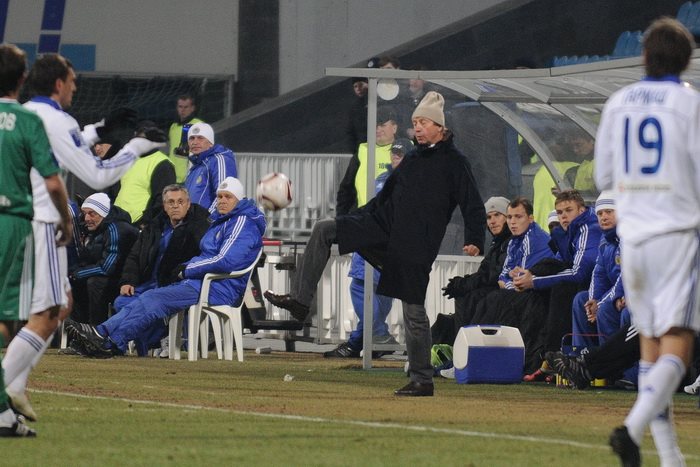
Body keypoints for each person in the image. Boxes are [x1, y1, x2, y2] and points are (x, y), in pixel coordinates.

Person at [265, 91, 486, 397]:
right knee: (325, 229)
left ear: (439, 126)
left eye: (423, 122)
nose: (417, 127)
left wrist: (475, 238)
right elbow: (383, 200)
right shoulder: (412, 157)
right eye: (415, 122)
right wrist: (352, 221)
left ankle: (422, 379)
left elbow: (472, 203)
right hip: (383, 227)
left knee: (413, 311)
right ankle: (301, 302)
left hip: (415, 244)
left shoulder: (455, 162)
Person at [594, 18, 699, 467]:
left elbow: (603, 175)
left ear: (644, 56)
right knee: (678, 342)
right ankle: (632, 429)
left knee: (650, 346)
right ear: (687, 60)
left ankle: (671, 459)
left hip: (632, 239)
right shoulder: (689, 103)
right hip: (676, 235)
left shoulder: (618, 102)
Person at [66, 177, 265, 357]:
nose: (222, 200)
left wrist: (187, 269)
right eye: (219, 196)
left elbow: (224, 260)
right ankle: (103, 336)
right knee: (145, 298)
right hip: (202, 281)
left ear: (239, 199)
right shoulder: (222, 222)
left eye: (228, 197)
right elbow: (207, 256)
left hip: (219, 286)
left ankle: (107, 338)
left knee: (153, 299)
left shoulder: (241, 223)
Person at [0, 43, 71, 437]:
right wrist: (66, 219)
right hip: (11, 223)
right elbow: (53, 182)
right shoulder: (27, 120)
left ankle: (4, 413)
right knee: (15, 317)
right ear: (22, 79)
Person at [324, 139, 412, 358]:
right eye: (394, 154)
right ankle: (364, 341)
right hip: (389, 243)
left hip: (377, 241)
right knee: (376, 293)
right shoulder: (399, 180)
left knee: (363, 288)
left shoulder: (387, 180)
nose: (395, 158)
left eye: (400, 155)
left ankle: (375, 336)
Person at [114, 185, 210, 356]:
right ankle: (148, 342)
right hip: (149, 283)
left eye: (180, 202)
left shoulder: (199, 227)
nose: (175, 206)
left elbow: (202, 259)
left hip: (174, 285)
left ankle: (133, 343)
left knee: (151, 306)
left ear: (188, 204)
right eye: (171, 202)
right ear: (165, 206)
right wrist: (128, 280)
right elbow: (135, 256)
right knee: (121, 302)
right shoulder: (154, 227)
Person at [469, 197, 555, 372]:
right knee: (481, 298)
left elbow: (519, 281)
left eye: (518, 217)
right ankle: (473, 354)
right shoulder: (514, 241)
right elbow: (503, 276)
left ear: (530, 218)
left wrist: (509, 283)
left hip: (539, 294)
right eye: (509, 217)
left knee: (496, 299)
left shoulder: (532, 238)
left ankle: (481, 358)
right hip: (523, 292)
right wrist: (510, 283)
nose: (513, 222)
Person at [436, 196, 513, 345]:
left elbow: (497, 274)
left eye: (497, 215)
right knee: (464, 296)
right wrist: (464, 282)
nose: (492, 221)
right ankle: (461, 346)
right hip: (494, 291)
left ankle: (467, 346)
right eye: (489, 217)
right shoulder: (497, 244)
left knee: (472, 296)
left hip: (506, 292)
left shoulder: (510, 242)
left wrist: (467, 283)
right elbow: (484, 272)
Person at [69, 193, 139, 326]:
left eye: (92, 214)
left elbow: (107, 267)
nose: (87, 218)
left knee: (94, 283)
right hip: (112, 275)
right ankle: (80, 328)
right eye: (85, 213)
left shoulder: (116, 229)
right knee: (73, 283)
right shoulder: (96, 228)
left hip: (126, 281)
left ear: (103, 213)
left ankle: (97, 330)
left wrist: (76, 273)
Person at [571, 191, 627, 349]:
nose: (604, 217)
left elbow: (625, 278)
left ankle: (611, 360)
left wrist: (601, 303)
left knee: (606, 310)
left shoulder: (628, 238)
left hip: (630, 293)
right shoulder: (605, 240)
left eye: (609, 211)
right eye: (600, 213)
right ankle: (583, 353)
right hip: (614, 293)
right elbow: (599, 273)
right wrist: (593, 299)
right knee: (581, 300)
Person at [336, 106, 399, 215]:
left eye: (382, 125)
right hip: (365, 218)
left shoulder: (406, 150)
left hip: (394, 218)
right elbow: (346, 190)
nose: (378, 129)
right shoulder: (363, 151)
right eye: (375, 125)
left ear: (394, 128)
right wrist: (341, 218)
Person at [113, 121, 176, 227]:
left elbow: (162, 201)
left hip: (139, 225)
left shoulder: (162, 163)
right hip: (117, 221)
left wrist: (145, 223)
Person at [183, 122, 238, 214]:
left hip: (207, 221)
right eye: (192, 138)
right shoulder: (195, 167)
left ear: (210, 143)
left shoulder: (219, 160)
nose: (195, 142)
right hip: (193, 221)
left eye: (200, 138)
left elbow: (224, 195)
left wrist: (208, 219)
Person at [168, 93, 203, 183]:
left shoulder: (198, 125)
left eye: (186, 107)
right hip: (173, 177)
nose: (182, 110)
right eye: (180, 107)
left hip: (190, 178)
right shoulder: (173, 127)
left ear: (192, 108)